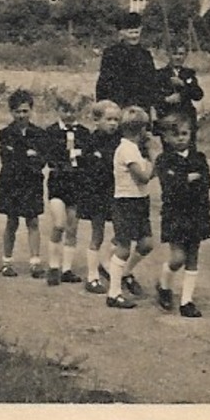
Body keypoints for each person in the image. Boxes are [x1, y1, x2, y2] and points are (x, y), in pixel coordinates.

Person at [153, 111, 210, 317]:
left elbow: (206, 182)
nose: (181, 138)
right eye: (175, 134)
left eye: (185, 133)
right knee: (178, 257)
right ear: (166, 138)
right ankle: (164, 284)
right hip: (175, 214)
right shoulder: (163, 160)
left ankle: (187, 301)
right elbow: (170, 186)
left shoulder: (199, 158)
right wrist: (188, 179)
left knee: (193, 257)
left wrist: (183, 180)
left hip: (197, 213)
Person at [104, 106, 156, 310]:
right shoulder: (126, 149)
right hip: (125, 202)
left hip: (140, 200)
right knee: (123, 248)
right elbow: (143, 176)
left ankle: (124, 273)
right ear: (140, 130)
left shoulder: (134, 149)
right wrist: (155, 157)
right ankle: (114, 293)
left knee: (146, 244)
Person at [0, 89, 48, 279]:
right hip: (11, 182)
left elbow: (41, 161)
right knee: (12, 221)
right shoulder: (4, 134)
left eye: (25, 111)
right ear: (11, 112)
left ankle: (35, 262)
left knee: (33, 221)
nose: (21, 115)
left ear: (31, 111)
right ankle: (7, 261)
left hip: (32, 182)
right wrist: (28, 155)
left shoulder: (40, 134)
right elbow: (9, 159)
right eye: (17, 111)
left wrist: (26, 156)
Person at [79, 100, 125, 295]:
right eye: (108, 119)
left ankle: (107, 263)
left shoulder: (121, 141)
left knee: (121, 232)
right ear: (97, 121)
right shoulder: (91, 141)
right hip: (96, 192)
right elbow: (87, 165)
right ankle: (92, 276)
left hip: (116, 191)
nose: (113, 123)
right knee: (97, 233)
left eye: (116, 119)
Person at [41, 95, 85, 286]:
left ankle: (67, 269)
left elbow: (88, 156)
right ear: (58, 109)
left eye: (73, 110)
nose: (69, 114)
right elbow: (48, 155)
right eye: (65, 110)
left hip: (76, 182)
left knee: (72, 228)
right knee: (59, 224)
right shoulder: (51, 132)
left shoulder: (84, 133)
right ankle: (53, 266)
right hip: (58, 181)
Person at [95, 12, 159, 114]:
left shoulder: (145, 55)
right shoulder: (111, 54)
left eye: (136, 33)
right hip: (117, 106)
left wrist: (151, 105)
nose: (134, 36)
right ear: (121, 33)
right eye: (130, 33)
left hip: (141, 107)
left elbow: (151, 82)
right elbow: (105, 82)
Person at [155, 41, 205, 131]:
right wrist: (166, 99)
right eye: (174, 54)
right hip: (167, 116)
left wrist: (183, 84)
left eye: (181, 54)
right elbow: (152, 96)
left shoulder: (189, 73)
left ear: (185, 55)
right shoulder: (159, 74)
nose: (178, 57)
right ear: (168, 55)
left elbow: (198, 95)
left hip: (186, 117)